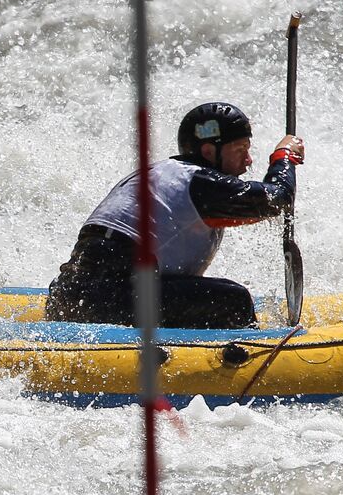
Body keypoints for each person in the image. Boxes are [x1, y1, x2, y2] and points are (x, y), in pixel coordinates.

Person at [45, 102, 304, 330]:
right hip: (108, 302)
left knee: (199, 292)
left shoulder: (163, 173)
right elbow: (276, 199)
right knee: (232, 299)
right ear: (208, 152)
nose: (248, 161)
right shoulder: (200, 182)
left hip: (68, 298)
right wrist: (284, 157)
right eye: (240, 150)